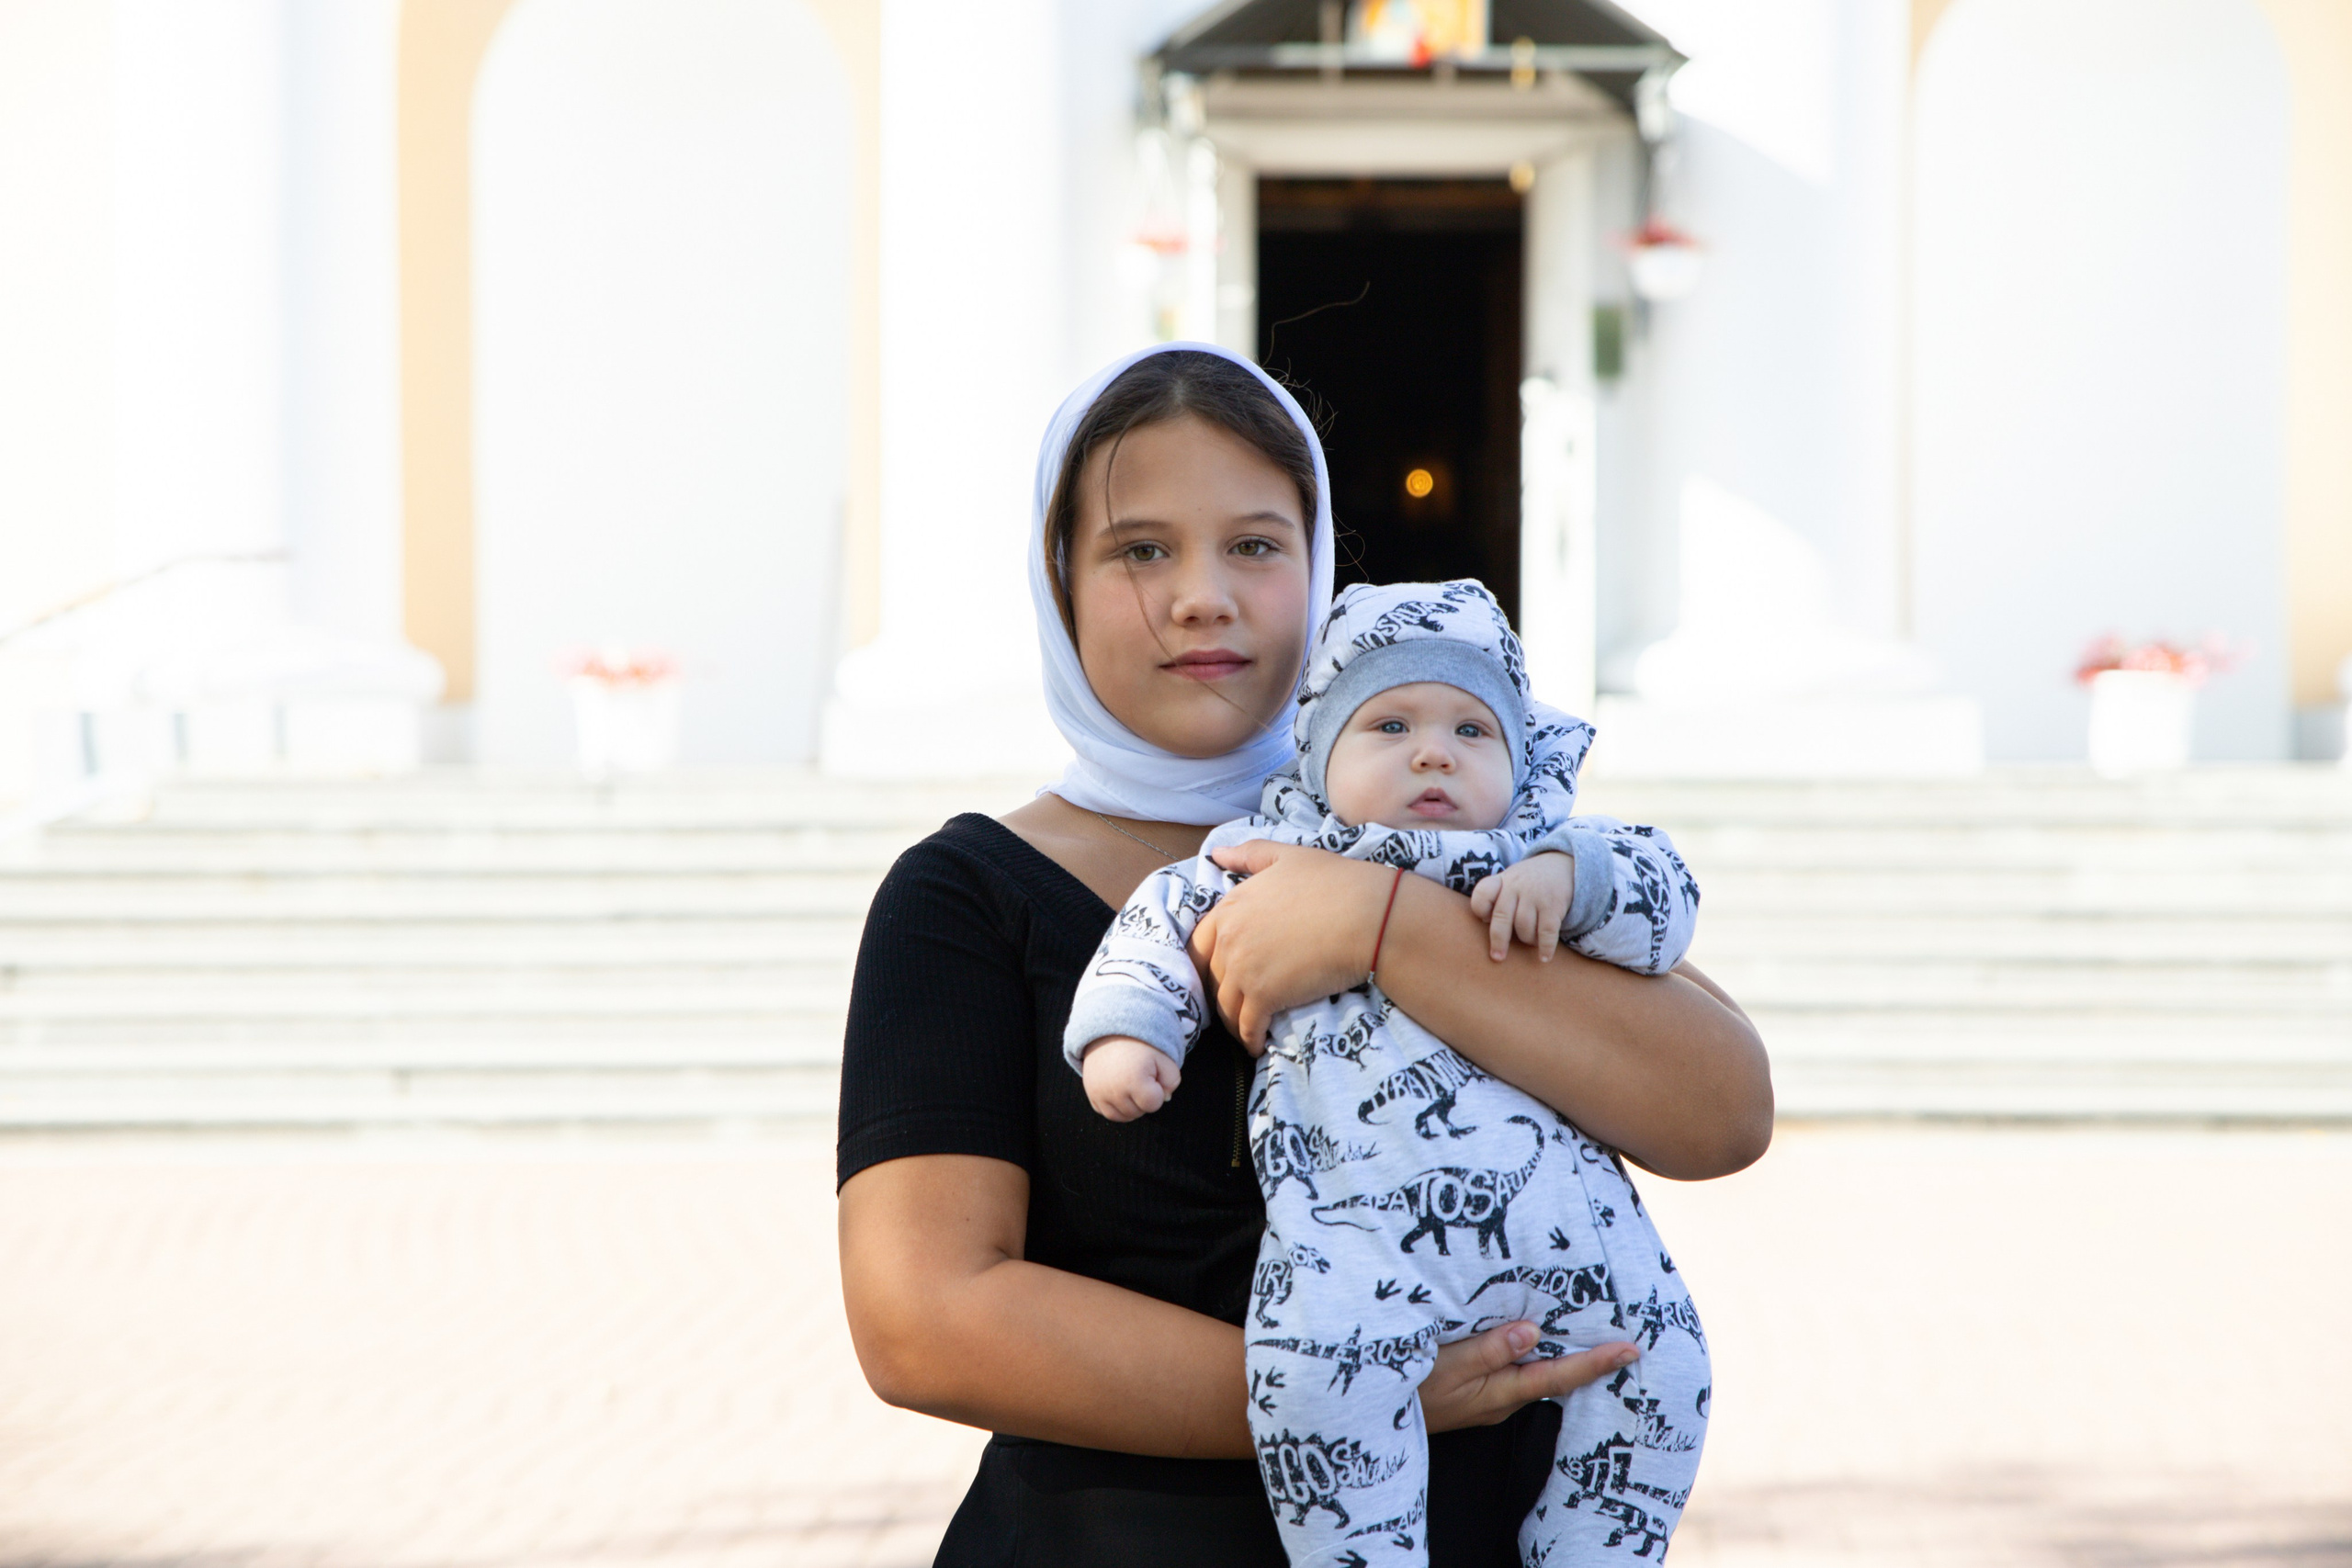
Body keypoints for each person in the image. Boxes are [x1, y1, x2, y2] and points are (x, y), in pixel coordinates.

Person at [836, 342, 1771, 1568]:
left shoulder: (1469, 833)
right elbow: (925, 1318)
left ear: (1321, 566)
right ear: (1058, 577)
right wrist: (1353, 1399)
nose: (1201, 596)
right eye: (1139, 549)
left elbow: (1722, 1110)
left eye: (1255, 545)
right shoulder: (967, 895)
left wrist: (1383, 923)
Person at [1067, 578, 1709, 1567]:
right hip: (1357, 1240)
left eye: (1472, 730)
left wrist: (1570, 876)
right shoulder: (1268, 858)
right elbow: (1158, 925)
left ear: (1520, 756)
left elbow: (1665, 898)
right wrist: (1131, 1030)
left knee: (1665, 1367)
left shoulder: (1540, 852)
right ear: (1319, 753)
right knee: (1312, 1383)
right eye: (1391, 725)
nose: (1433, 752)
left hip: (1576, 1239)